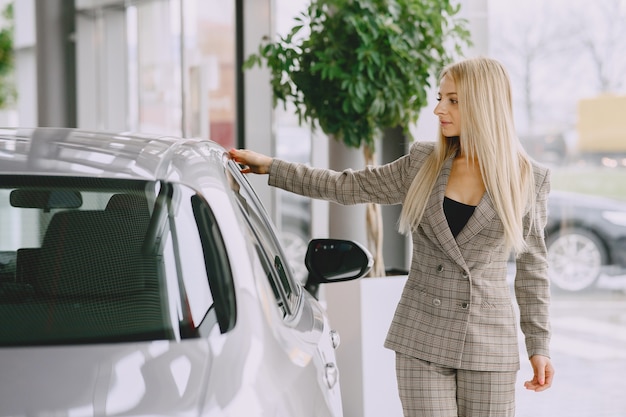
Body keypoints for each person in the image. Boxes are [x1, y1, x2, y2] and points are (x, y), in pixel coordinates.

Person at [229, 56, 554, 417]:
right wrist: (272, 167)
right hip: (421, 335)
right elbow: (347, 186)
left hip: (489, 343)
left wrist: (538, 344)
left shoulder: (529, 178)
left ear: (483, 104)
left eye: (452, 100)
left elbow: (532, 269)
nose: (437, 109)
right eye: (439, 97)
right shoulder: (422, 162)